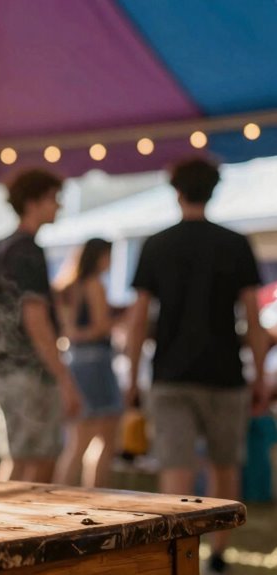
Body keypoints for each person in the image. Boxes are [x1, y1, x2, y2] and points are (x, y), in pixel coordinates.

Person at [127, 157, 268, 574]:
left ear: (176, 191)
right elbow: (253, 319)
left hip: (170, 374)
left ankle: (177, 557)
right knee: (226, 465)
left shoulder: (156, 244)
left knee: (176, 467)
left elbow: (138, 319)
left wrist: (133, 375)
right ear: (214, 190)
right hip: (225, 373)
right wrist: (260, 375)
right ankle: (218, 556)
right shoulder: (235, 243)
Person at [0, 169, 81, 483]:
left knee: (18, 457)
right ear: (34, 202)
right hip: (28, 372)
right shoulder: (28, 252)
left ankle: (1, 528)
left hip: (1, 367)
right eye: (53, 199)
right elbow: (34, 318)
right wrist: (63, 377)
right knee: (37, 462)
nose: (58, 207)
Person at [53, 238, 122, 487]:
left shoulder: (68, 287)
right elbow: (101, 327)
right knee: (104, 439)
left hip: (76, 362)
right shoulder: (94, 285)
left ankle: (62, 494)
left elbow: (67, 330)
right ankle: (94, 495)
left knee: (78, 441)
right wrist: (123, 317)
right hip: (96, 364)